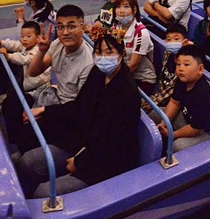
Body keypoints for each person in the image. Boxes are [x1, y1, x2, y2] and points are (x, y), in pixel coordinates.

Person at [16, 34, 139, 198]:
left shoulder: (128, 92)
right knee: (28, 162)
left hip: (109, 160)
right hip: (83, 142)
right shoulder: (97, 73)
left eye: (109, 52)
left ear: (121, 54)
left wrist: (80, 161)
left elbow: (115, 140)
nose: (103, 58)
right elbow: (80, 106)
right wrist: (45, 110)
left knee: (44, 193)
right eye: (99, 53)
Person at [4, 5, 93, 149]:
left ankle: (28, 157)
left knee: (28, 133)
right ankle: (12, 149)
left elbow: (80, 108)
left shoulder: (88, 64)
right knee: (11, 103)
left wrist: (44, 112)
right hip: (55, 96)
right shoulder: (58, 44)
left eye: (71, 27)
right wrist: (41, 51)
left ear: (82, 27)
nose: (65, 32)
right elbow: (33, 72)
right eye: (60, 27)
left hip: (69, 112)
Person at [158, 45, 210, 151]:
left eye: (186, 64)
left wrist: (172, 134)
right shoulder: (182, 79)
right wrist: (164, 123)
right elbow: (175, 103)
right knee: (156, 115)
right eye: (178, 64)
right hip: (190, 117)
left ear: (200, 69)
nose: (181, 68)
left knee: (178, 145)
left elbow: (196, 129)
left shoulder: (203, 94)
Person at [143, 23, 191, 117]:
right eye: (169, 39)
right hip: (159, 97)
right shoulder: (168, 53)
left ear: (185, 42)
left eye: (176, 39)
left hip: (172, 104)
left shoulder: (185, 65)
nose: (172, 42)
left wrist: (152, 102)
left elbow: (171, 91)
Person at [112, 0, 156, 93]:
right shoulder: (115, 27)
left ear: (135, 9)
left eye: (126, 7)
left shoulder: (141, 32)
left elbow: (133, 65)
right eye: (118, 7)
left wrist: (113, 80)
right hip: (122, 73)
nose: (121, 11)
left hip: (142, 79)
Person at [0, 21, 49, 93]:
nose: (24, 39)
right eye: (22, 36)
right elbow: (15, 44)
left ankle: (5, 92)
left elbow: (24, 58)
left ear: (37, 38)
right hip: (25, 78)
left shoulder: (38, 50)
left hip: (36, 85)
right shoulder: (26, 45)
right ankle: (2, 91)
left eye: (28, 36)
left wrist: (8, 56)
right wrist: (1, 42)